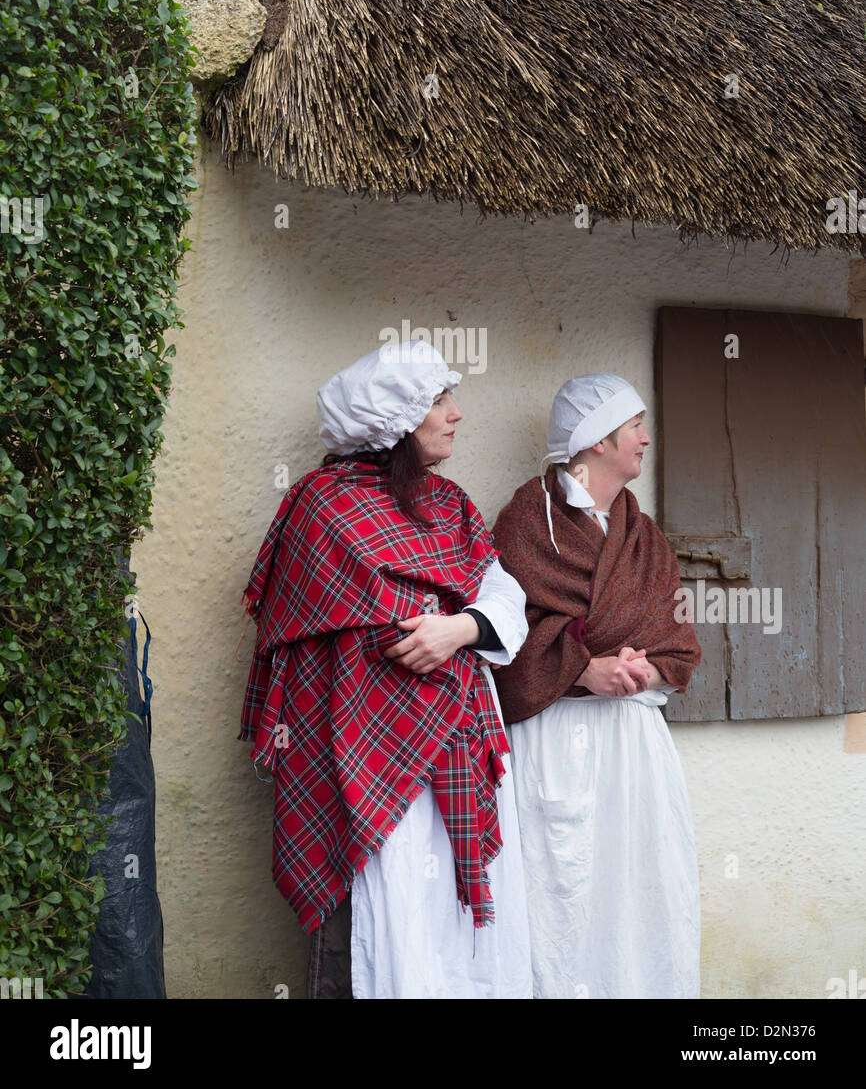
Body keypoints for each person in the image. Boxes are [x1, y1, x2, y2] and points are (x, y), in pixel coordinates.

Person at [239, 339, 532, 999]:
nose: (456, 413)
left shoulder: (450, 504)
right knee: (388, 912)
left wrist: (458, 628)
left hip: (456, 747)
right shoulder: (322, 508)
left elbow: (504, 595)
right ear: (397, 422)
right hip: (364, 751)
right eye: (439, 400)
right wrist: (428, 627)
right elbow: (363, 631)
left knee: (455, 921)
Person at [492, 373, 702, 999]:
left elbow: (680, 642)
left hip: (634, 749)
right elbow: (500, 642)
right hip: (553, 740)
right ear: (596, 439)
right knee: (558, 893)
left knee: (640, 891)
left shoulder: (645, 535)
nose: (645, 437)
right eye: (633, 425)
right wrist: (583, 668)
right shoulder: (528, 523)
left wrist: (644, 670)